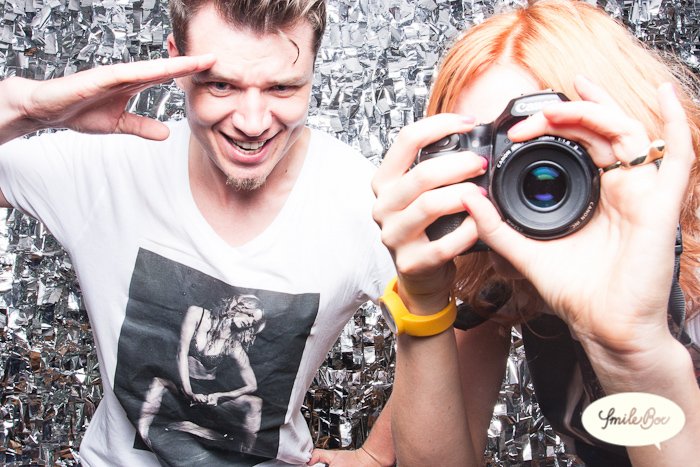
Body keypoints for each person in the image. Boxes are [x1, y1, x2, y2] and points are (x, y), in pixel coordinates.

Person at [0, 0, 396, 465]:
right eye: (221, 85)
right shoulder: (105, 166)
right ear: (177, 63)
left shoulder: (361, 198)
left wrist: (377, 454)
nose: (252, 123)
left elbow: (450, 326)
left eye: (283, 87)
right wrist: (24, 108)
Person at [371, 0, 700, 465]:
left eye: (553, 147)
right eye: (493, 154)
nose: (527, 182)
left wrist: (635, 353)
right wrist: (422, 299)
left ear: (630, 139)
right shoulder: (504, 276)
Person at [138, 294, 266, 455]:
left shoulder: (234, 344)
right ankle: (143, 437)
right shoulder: (197, 314)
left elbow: (252, 385)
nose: (250, 322)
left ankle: (245, 455)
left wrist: (221, 396)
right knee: (157, 383)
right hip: (182, 382)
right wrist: (188, 391)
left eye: (253, 321)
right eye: (250, 315)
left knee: (255, 404)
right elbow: (181, 352)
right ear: (239, 306)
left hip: (208, 391)